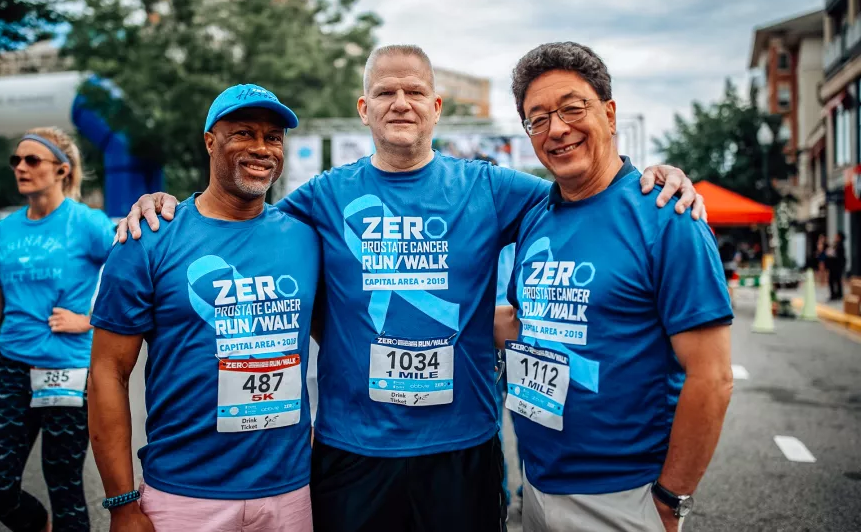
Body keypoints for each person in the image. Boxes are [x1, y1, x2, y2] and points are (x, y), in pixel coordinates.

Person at [117, 45, 705, 532]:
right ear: (364, 106)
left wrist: (652, 176)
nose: (401, 103)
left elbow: (587, 193)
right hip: (353, 451)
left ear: (436, 106)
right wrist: (165, 206)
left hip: (462, 448)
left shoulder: (491, 188)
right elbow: (241, 219)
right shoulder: (323, 195)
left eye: (415, 92)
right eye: (387, 92)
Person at [495, 42, 734, 532]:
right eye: (537, 118)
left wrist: (671, 499)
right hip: (537, 486)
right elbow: (523, 324)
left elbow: (712, 377)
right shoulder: (536, 217)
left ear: (608, 112)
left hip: (625, 497)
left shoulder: (667, 216)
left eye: (571, 108)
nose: (556, 128)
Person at [88, 84, 319, 532]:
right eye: (243, 133)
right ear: (210, 141)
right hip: (184, 497)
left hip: (291, 492)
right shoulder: (149, 236)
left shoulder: (306, 237)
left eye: (273, 137)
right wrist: (121, 503)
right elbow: (106, 373)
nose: (261, 148)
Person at [0, 128, 115, 532]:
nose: (20, 167)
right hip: (12, 367)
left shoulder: (87, 223)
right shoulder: (5, 230)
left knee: (66, 487)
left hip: (67, 369)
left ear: (61, 170)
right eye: (16, 160)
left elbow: (135, 277)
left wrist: (91, 319)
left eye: (32, 160)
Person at [828, 231, 846, 301]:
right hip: (837, 266)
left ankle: (835, 295)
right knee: (837, 280)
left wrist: (830, 253)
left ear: (839, 237)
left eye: (836, 236)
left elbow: (833, 253)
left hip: (836, 266)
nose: (835, 237)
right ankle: (838, 294)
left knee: (833, 280)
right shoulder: (838, 244)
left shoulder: (839, 245)